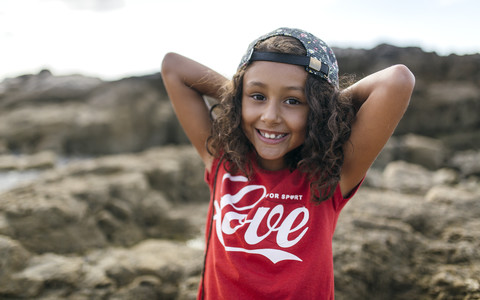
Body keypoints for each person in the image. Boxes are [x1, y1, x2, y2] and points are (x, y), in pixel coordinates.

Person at [161, 27, 415, 300]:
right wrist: (238, 94)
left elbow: (397, 80)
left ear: (316, 108)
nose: (270, 116)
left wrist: (328, 107)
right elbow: (173, 66)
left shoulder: (329, 176)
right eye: (257, 96)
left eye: (293, 101)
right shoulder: (224, 160)